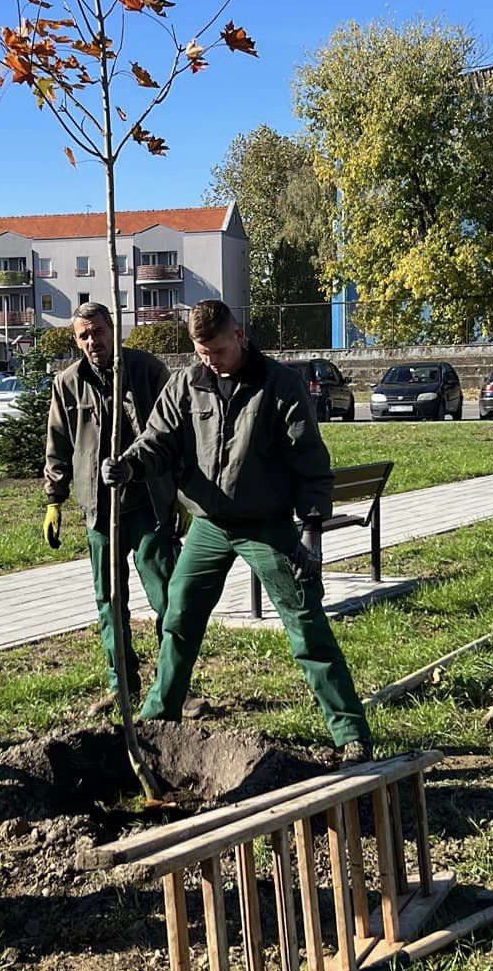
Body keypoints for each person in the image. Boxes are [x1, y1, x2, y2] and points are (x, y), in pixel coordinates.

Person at [101, 299, 372, 762]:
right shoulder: (187, 384)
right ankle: (157, 723)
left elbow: (309, 460)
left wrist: (311, 529)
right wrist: (129, 465)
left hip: (266, 526)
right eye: (202, 352)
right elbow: (158, 440)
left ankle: (350, 734)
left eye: (219, 351)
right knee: (178, 619)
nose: (212, 360)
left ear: (240, 336)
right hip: (208, 524)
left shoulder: (279, 385)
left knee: (305, 621)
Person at [42, 301, 177, 715]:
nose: (92, 341)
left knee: (167, 598)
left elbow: (176, 433)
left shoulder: (145, 370)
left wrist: (182, 494)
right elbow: (58, 442)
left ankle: (174, 686)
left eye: (98, 332)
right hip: (100, 511)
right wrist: (54, 500)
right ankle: (123, 685)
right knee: (110, 603)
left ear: (113, 330)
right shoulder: (68, 383)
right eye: (83, 335)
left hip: (149, 503)